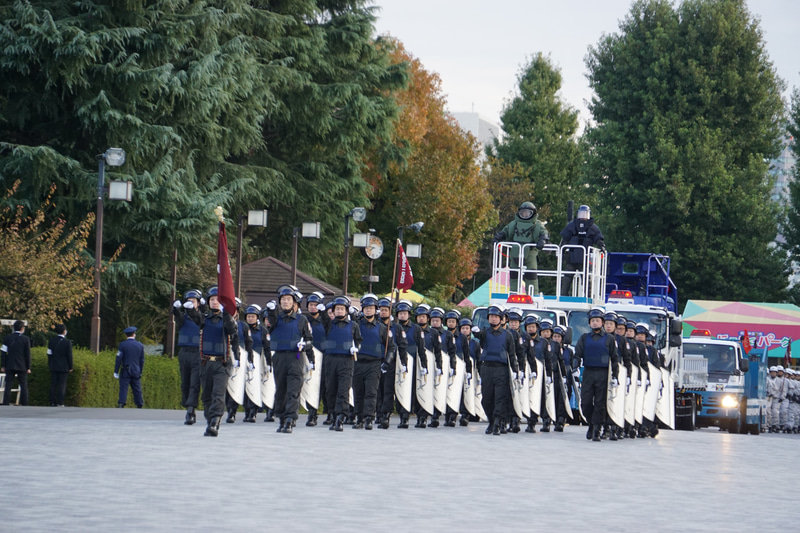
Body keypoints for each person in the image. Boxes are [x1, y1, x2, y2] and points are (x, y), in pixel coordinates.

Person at [265, 285, 314, 434]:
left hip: (295, 358)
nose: (286, 302)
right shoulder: (276, 318)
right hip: (279, 357)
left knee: (293, 390)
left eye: (288, 299)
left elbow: (310, 340)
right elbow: (270, 322)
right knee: (281, 390)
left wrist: (305, 345)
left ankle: (290, 419)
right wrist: (271, 310)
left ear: (294, 302)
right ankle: (281, 418)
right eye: (283, 299)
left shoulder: (301, 319)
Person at [573, 307, 619, 442]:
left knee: (600, 403)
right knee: (585, 402)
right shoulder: (584, 338)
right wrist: (575, 367)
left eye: (597, 320)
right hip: (588, 372)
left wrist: (615, 376)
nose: (595, 323)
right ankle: (591, 423)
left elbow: (614, 358)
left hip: (603, 373)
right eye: (592, 320)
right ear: (589, 323)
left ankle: (597, 430)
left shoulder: (609, 339)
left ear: (602, 322)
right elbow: (577, 354)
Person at [471, 305, 518, 435]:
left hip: (501, 369)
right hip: (487, 368)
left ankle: (497, 423)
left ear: (501, 319)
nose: (493, 319)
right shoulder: (485, 333)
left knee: (500, 398)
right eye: (491, 316)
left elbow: (512, 354)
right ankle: (491, 421)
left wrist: (515, 370)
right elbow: (478, 334)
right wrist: (474, 329)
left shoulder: (507, 335)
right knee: (486, 399)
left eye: (496, 317)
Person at [199, 286, 240, 437]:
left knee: (218, 393)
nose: (215, 302)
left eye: (218, 299)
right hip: (206, 362)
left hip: (222, 362)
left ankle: (215, 421)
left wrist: (227, 313)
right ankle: (210, 419)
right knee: (207, 395)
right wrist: (189, 309)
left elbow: (232, 330)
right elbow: (194, 319)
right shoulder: (204, 319)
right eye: (212, 299)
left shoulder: (227, 319)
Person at [323, 296, 361, 432]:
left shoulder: (353, 325)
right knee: (331, 389)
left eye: (342, 309)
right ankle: (332, 415)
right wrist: (322, 310)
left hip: (346, 360)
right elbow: (323, 319)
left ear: (346, 310)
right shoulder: (329, 324)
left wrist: (356, 348)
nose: (339, 311)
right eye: (337, 309)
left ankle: (341, 417)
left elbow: (358, 340)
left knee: (343, 390)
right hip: (331, 359)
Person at [493, 201, 549, 294]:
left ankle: (532, 294)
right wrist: (498, 237)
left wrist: (542, 240)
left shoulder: (537, 225)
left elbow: (544, 234)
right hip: (515, 253)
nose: (525, 215)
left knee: (531, 276)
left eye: (527, 213)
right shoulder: (514, 224)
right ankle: (513, 293)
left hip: (530, 253)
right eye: (522, 213)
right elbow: (506, 231)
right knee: (514, 275)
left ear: (533, 214)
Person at [173, 289, 204, 425]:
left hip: (197, 352)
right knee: (185, 382)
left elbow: (200, 321)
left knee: (194, 383)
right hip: (184, 352)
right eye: (189, 301)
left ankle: (191, 410)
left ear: (198, 303)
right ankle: (187, 405)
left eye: (193, 301)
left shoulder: (202, 317)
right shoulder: (183, 318)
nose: (191, 303)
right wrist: (176, 308)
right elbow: (177, 316)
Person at [559, 204, 604, 296]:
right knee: (567, 277)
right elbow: (564, 239)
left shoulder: (593, 228)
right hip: (572, 257)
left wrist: (601, 246)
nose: (583, 216)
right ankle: (563, 295)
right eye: (581, 214)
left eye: (585, 214)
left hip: (585, 259)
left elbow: (598, 239)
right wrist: (561, 250)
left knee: (587, 278)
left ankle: (588, 296)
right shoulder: (571, 226)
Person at [376, 298, 408, 429]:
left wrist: (404, 363)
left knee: (388, 390)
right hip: (376, 361)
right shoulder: (376, 326)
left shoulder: (397, 328)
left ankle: (386, 415)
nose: (383, 312)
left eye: (386, 310)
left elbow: (402, 346)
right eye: (381, 310)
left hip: (391, 363)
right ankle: (378, 413)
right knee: (378, 390)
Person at [396, 300, 426, 429]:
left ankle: (418, 416)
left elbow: (421, 348)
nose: (402, 315)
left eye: (405, 313)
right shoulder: (393, 327)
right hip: (396, 363)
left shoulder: (416, 329)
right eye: (400, 313)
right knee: (399, 390)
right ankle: (402, 416)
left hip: (412, 363)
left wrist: (424, 365)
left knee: (413, 391)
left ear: (409, 315)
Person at [304, 292, 330, 426]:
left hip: (324, 356)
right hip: (308, 356)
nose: (313, 307)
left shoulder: (325, 320)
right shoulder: (304, 320)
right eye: (310, 305)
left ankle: (329, 413)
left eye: (315, 305)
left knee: (326, 386)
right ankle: (312, 414)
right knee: (311, 385)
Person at [414, 304, 441, 428]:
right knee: (416, 391)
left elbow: (438, 351)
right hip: (415, 364)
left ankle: (423, 417)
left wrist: (439, 366)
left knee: (426, 390)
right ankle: (417, 415)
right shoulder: (413, 330)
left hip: (428, 366)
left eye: (424, 316)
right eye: (419, 316)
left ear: (428, 318)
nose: (421, 319)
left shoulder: (433, 333)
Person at [429, 307, 456, 428]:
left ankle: (447, 416)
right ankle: (433, 415)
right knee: (432, 391)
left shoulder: (448, 335)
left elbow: (452, 352)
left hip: (444, 366)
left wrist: (453, 367)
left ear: (441, 322)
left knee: (444, 391)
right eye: (433, 320)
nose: (435, 322)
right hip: (430, 365)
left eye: (437, 320)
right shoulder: (427, 333)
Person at [1, 320, 31, 405]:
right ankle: (24, 403)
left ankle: (6, 402)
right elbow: (27, 354)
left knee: (8, 385)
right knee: (23, 385)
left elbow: (3, 352)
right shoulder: (25, 339)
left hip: (10, 364)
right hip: (22, 365)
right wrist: (28, 367)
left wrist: (3, 365)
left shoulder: (7, 338)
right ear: (22, 328)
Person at [114, 326, 145, 409]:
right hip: (136, 370)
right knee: (137, 388)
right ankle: (139, 403)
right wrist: (140, 371)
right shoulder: (140, 345)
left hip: (126, 369)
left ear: (126, 335)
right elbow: (142, 360)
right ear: (134, 334)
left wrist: (116, 371)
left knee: (124, 387)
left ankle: (121, 403)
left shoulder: (123, 345)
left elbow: (119, 358)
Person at [47, 324, 73, 407]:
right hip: (63, 366)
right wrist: (70, 366)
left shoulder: (51, 341)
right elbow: (69, 355)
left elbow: (49, 354)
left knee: (53, 384)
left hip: (53, 365)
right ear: (64, 331)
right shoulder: (67, 342)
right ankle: (60, 402)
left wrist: (50, 364)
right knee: (62, 384)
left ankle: (52, 401)